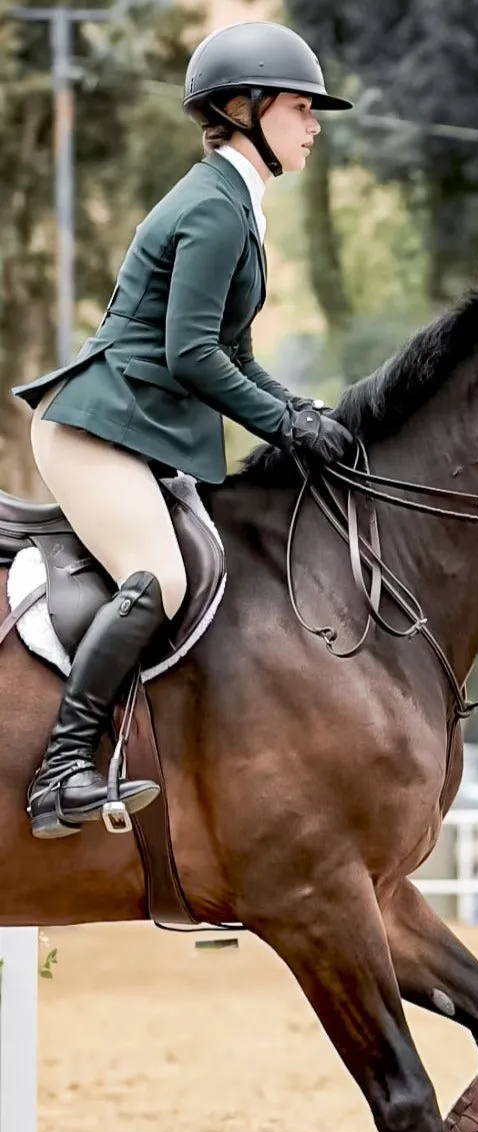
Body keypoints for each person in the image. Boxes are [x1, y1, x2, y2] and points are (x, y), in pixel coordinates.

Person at [11, 21, 355, 840]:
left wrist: (302, 414)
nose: (313, 125)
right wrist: (283, 424)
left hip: (135, 426)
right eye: (300, 108)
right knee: (158, 578)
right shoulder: (214, 209)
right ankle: (61, 770)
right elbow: (191, 353)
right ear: (244, 109)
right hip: (96, 429)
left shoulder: (236, 203)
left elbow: (228, 352)